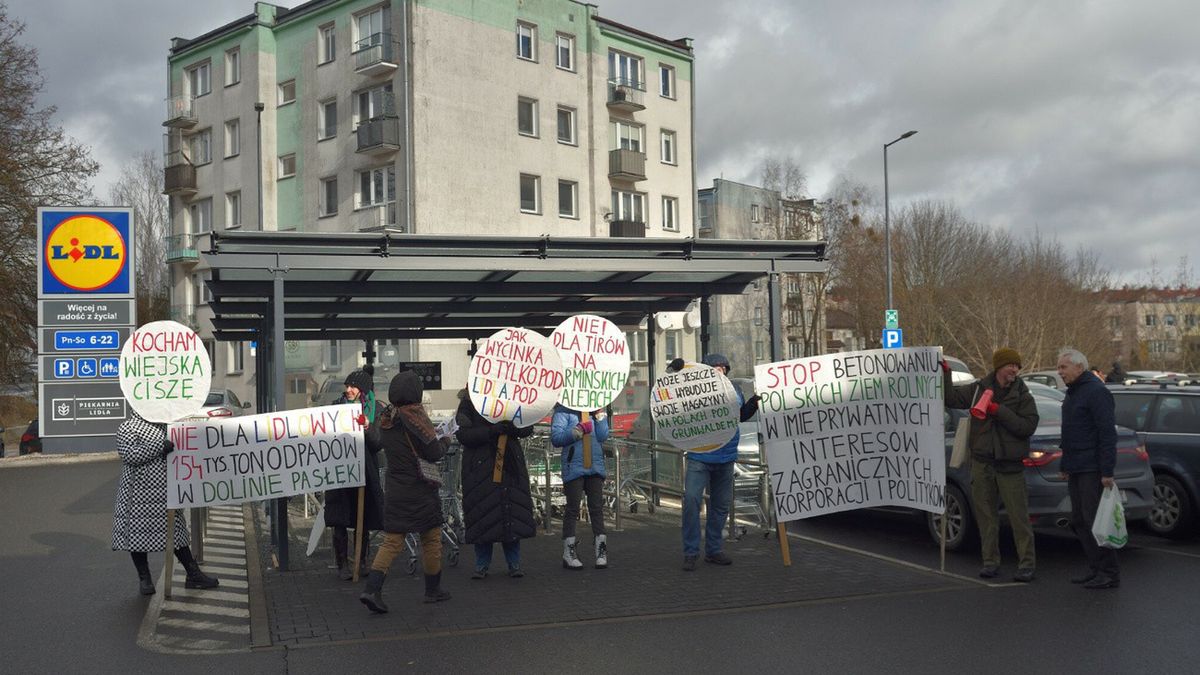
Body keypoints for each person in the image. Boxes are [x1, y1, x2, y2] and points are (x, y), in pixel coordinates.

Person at [943, 348, 1040, 582]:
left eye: (1017, 367)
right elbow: (951, 399)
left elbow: (1027, 427)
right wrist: (945, 375)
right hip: (982, 463)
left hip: (1009, 466)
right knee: (986, 517)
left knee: (1018, 517)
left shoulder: (1023, 395)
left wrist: (999, 411)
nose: (1015, 371)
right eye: (1010, 366)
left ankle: (1026, 564)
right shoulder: (979, 389)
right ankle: (990, 562)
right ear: (999, 367)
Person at [360, 371, 452, 612]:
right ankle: (433, 590)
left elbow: (378, 443)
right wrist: (446, 440)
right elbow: (433, 453)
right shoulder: (417, 417)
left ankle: (372, 589)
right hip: (420, 489)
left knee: (391, 541)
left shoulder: (386, 417)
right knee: (431, 538)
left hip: (395, 488)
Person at [111, 411, 219, 595]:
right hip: (137, 493)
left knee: (176, 533)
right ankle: (145, 579)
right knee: (137, 535)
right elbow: (129, 455)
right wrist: (159, 446)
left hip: (167, 489)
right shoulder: (127, 427)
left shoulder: (169, 424)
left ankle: (193, 574)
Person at [679, 353, 760, 572]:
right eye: (714, 367)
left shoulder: (735, 391)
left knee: (721, 506)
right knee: (692, 501)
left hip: (725, 458)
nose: (719, 371)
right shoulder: (694, 392)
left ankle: (713, 550)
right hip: (700, 457)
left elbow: (739, 416)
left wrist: (753, 404)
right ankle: (691, 552)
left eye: (722, 368)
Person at [455, 389, 536, 579]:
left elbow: (527, 427)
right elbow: (463, 434)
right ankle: (482, 564)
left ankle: (513, 563)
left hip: (509, 466)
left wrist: (513, 429)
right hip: (481, 468)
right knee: (483, 514)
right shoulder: (468, 402)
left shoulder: (514, 396)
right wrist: (490, 432)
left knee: (510, 514)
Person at [1057, 348, 1121, 589]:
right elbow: (1070, 432)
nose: (1059, 372)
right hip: (1076, 465)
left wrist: (1107, 471)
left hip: (1093, 468)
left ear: (1079, 367)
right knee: (1080, 520)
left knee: (1096, 520)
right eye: (1059, 367)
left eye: (1063, 367)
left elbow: (1107, 433)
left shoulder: (1096, 392)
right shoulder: (1073, 393)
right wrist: (1065, 464)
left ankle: (1109, 571)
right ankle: (1095, 567)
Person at [324, 367, 384, 580]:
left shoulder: (375, 410)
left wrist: (367, 427)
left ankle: (361, 561)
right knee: (340, 518)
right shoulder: (335, 408)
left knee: (363, 518)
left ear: (363, 389)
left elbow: (378, 443)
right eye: (346, 386)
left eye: (353, 386)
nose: (348, 390)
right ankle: (342, 565)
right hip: (340, 473)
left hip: (365, 472)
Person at [550, 403, 611, 569]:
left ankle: (601, 550)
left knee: (597, 508)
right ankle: (568, 552)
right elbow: (556, 438)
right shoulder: (563, 411)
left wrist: (600, 417)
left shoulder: (595, 408)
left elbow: (603, 435)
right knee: (572, 509)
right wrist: (576, 431)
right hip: (574, 467)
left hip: (595, 466)